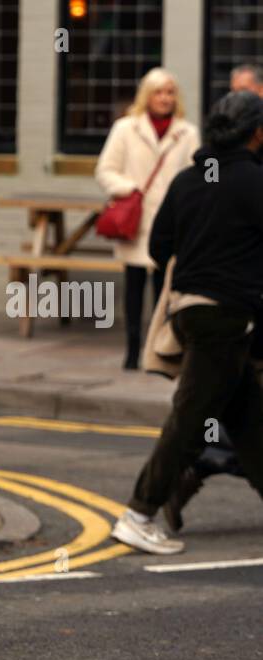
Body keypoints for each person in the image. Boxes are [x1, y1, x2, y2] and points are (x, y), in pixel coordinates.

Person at [111, 91, 263, 554]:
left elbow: (159, 248)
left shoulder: (187, 181)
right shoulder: (255, 183)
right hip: (228, 317)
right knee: (190, 420)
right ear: (256, 133)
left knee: (251, 422)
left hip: (192, 310)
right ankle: (138, 513)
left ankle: (148, 507)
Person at [164, 63, 263, 530]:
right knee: (229, 404)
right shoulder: (236, 166)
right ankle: (160, 491)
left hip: (233, 299)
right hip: (239, 301)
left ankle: (193, 467)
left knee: (233, 401)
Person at [96, 68, 200, 370]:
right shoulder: (125, 128)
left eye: (170, 92)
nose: (165, 98)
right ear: (147, 95)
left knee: (164, 287)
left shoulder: (187, 132)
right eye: (158, 92)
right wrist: (131, 188)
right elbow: (105, 170)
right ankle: (131, 349)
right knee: (133, 285)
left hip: (170, 221)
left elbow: (196, 174)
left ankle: (157, 349)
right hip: (137, 221)